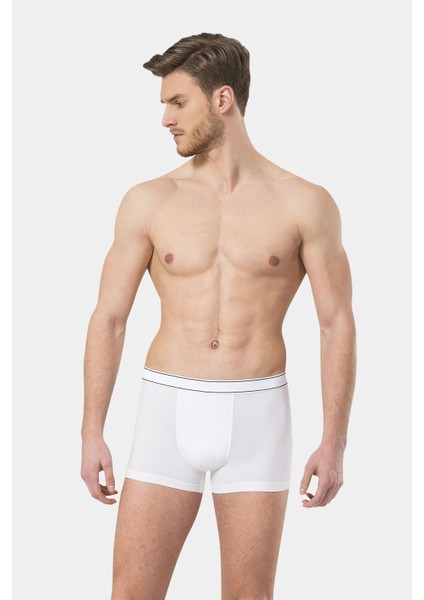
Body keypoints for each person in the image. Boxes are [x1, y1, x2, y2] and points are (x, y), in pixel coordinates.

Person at [81, 32, 356, 600]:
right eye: (165, 104)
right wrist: (91, 431)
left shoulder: (305, 203)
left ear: (223, 99)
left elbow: (336, 323)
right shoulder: (148, 200)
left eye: (178, 102)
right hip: (166, 408)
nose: (165, 119)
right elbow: (109, 318)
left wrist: (334, 442)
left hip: (259, 414)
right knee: (131, 593)